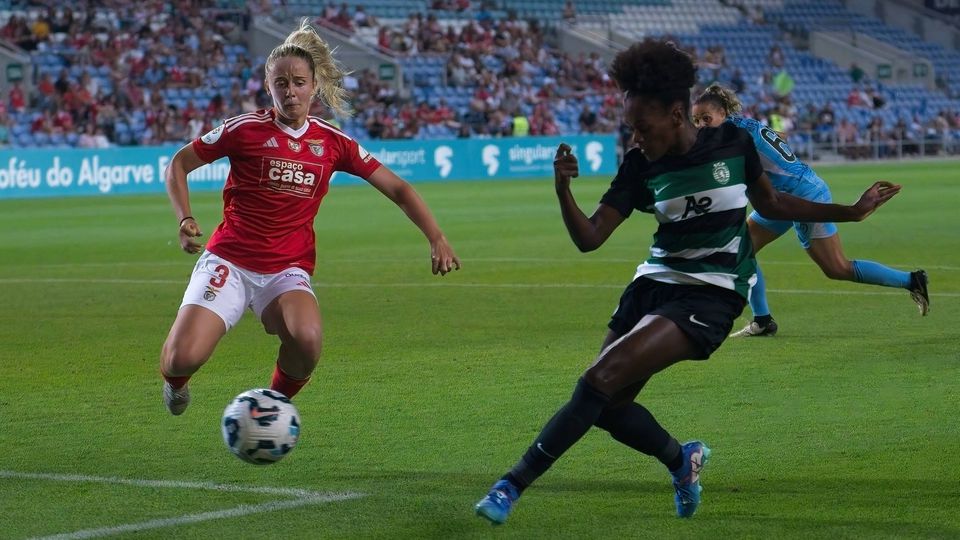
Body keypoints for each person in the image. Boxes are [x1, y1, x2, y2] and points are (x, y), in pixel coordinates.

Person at [474, 39, 900, 525]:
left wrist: (850, 211)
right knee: (607, 405)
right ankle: (682, 459)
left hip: (712, 292)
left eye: (642, 126)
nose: (634, 137)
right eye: (630, 127)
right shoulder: (640, 165)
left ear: (677, 115)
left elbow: (774, 205)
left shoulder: (733, 145)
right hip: (653, 283)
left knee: (597, 380)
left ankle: (510, 486)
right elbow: (591, 237)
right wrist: (562, 190)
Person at [160, 19, 460, 415]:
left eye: (299, 82)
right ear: (268, 87)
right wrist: (184, 219)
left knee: (308, 339)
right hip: (230, 259)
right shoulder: (244, 130)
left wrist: (436, 236)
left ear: (314, 86)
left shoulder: (332, 142)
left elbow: (399, 189)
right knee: (183, 357)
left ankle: (270, 410)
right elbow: (178, 164)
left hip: (287, 268)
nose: (290, 91)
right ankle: (176, 383)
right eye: (281, 83)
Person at [691, 83, 928, 337]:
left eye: (707, 119)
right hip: (779, 197)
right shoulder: (742, 124)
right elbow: (779, 138)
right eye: (696, 121)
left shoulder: (732, 138)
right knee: (740, 251)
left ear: (723, 114)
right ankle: (762, 321)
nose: (702, 125)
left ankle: (912, 280)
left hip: (800, 196)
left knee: (837, 268)